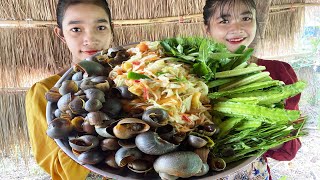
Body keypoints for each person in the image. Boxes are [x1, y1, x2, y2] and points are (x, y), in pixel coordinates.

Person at [203, 0, 301, 179]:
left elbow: (288, 149)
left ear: (256, 22)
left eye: (246, 18)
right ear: (207, 29)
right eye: (224, 21)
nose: (237, 28)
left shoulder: (279, 72)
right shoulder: (193, 75)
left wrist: (264, 125)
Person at [25, 0, 113, 179]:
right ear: (61, 34)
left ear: (112, 30)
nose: (90, 39)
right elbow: (57, 167)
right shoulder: (44, 92)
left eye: (101, 27)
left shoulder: (136, 80)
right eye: (76, 29)